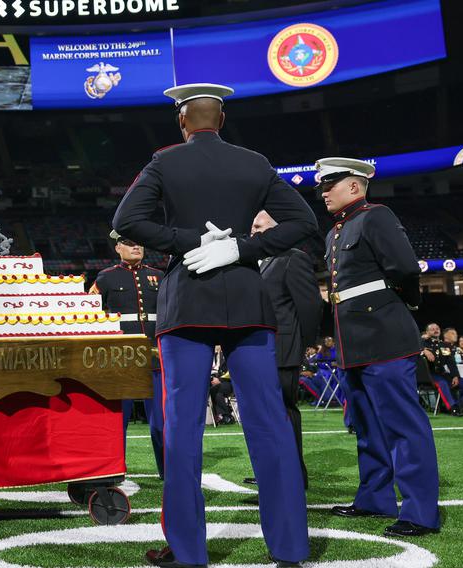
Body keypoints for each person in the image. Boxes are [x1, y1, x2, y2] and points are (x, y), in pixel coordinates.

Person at [113, 83, 316, 568]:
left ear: (182, 122)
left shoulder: (165, 161)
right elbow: (304, 222)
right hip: (248, 301)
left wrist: (187, 241)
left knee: (183, 428)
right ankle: (289, 546)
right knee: (269, 424)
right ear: (221, 121)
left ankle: (188, 552)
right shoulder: (255, 163)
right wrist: (241, 247)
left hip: (188, 304)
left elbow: (127, 219)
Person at [317, 157, 440, 538]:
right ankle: (374, 497)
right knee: (367, 427)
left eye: (330, 184)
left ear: (354, 186)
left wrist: (404, 304)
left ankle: (420, 512)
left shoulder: (376, 216)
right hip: (354, 341)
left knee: (404, 426)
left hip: (384, 335)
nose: (323, 192)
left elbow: (405, 268)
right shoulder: (336, 230)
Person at [243, 211, 322, 488]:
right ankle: (271, 473)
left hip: (283, 348)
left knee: (282, 413)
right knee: (262, 415)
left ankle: (292, 477)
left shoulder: (292, 258)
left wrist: (305, 344)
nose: (252, 230)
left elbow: (310, 305)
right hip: (258, 348)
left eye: (259, 225)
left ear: (277, 229)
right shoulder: (255, 261)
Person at [89, 230, 164, 477]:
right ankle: (115, 470)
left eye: (139, 243)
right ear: (117, 248)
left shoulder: (158, 276)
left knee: (161, 423)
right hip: (123, 360)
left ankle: (168, 470)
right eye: (129, 243)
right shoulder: (106, 278)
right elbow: (91, 315)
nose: (136, 247)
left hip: (155, 359)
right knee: (118, 422)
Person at [421, 323, 463, 416]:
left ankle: (457, 405)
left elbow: (451, 362)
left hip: (441, 373)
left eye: (437, 328)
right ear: (427, 332)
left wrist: (455, 375)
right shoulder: (423, 342)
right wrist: (424, 350)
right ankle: (452, 408)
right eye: (432, 329)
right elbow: (412, 346)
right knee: (442, 383)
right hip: (429, 375)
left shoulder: (444, 345)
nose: (436, 330)